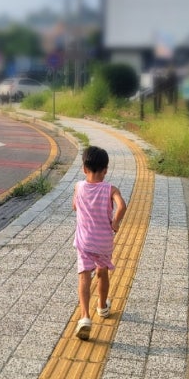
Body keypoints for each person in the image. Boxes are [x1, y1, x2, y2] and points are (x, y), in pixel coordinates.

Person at [72, 145, 127, 340]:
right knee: (102, 273)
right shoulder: (110, 189)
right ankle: (102, 307)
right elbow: (122, 206)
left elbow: (74, 206)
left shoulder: (78, 187)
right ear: (105, 170)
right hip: (103, 242)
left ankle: (85, 317)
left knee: (84, 276)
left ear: (84, 168)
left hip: (84, 241)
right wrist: (115, 223)